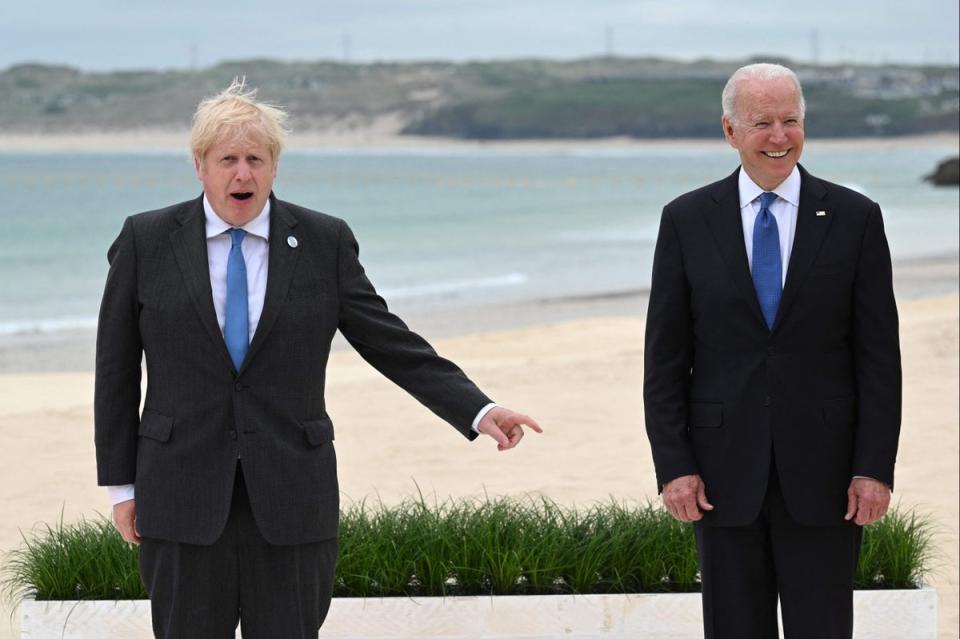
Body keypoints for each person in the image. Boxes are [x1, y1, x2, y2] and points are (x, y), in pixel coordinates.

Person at [94, 79, 543, 639]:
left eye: (256, 159)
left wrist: (479, 410)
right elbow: (114, 370)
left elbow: (391, 343)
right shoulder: (146, 240)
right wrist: (122, 488)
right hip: (179, 494)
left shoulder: (324, 242)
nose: (243, 174)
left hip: (292, 498)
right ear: (200, 165)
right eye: (228, 159)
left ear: (275, 167)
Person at [643, 63, 901, 639]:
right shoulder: (686, 220)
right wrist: (674, 467)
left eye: (791, 121)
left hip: (829, 476)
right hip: (720, 475)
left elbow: (880, 359)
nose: (779, 137)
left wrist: (873, 468)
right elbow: (663, 359)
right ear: (730, 131)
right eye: (763, 123)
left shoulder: (856, 218)